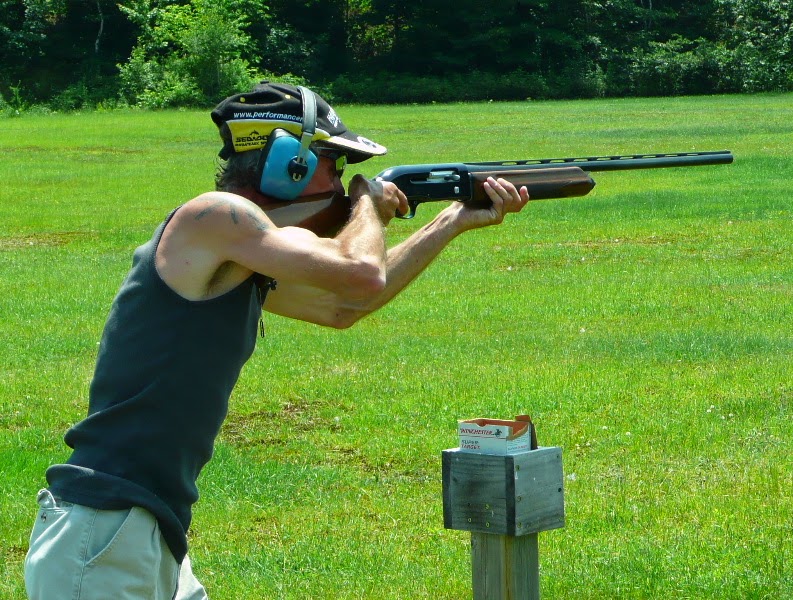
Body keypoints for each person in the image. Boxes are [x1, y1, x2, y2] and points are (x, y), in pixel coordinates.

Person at [23, 82, 530, 599]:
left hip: (144, 527)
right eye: (333, 165)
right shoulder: (216, 216)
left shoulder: (238, 254)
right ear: (291, 162)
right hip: (104, 533)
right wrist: (367, 209)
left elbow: (343, 307)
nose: (343, 182)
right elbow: (361, 273)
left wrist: (451, 220)